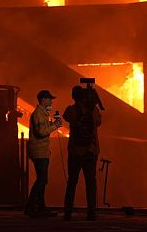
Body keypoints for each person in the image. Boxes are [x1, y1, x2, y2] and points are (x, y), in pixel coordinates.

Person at [62, 85, 102, 221]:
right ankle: (91, 212)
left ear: (73, 96)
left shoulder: (71, 110)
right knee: (90, 183)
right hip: (90, 151)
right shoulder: (94, 111)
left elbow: (65, 116)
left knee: (72, 182)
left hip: (75, 151)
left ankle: (68, 212)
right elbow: (99, 122)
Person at [24, 89, 62, 218]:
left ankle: (40, 207)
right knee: (42, 180)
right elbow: (41, 132)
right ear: (43, 100)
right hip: (39, 151)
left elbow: (42, 129)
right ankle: (31, 207)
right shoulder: (39, 114)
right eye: (50, 99)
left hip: (42, 151)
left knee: (42, 180)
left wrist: (52, 123)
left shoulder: (42, 114)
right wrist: (55, 126)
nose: (51, 102)